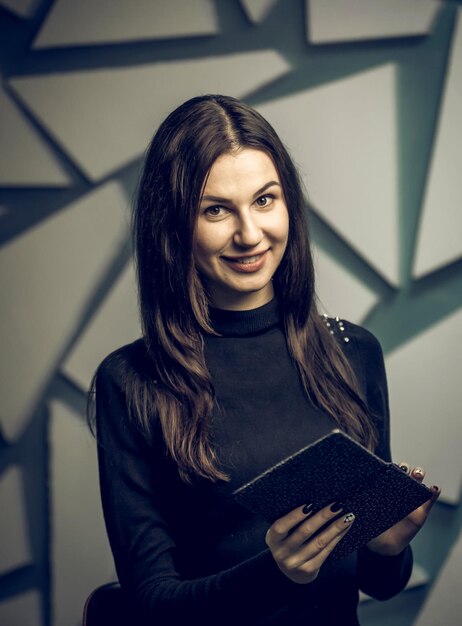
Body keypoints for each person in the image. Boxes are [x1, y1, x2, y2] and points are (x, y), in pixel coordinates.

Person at [90, 94, 440, 625]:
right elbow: (153, 604)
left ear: (288, 206)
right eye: (215, 210)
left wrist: (386, 548)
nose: (250, 235)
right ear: (174, 226)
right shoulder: (131, 380)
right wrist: (276, 573)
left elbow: (379, 585)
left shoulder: (354, 352)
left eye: (264, 200)